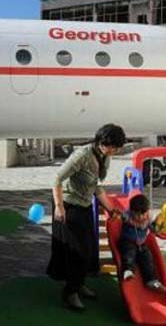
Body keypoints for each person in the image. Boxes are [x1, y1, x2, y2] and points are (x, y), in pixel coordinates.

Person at [47, 123, 126, 311]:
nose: (114, 151)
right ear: (101, 142)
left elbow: (95, 186)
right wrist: (59, 207)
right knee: (79, 251)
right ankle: (70, 293)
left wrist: (110, 208)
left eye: (117, 147)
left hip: (84, 205)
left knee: (90, 250)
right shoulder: (82, 156)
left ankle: (79, 283)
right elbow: (57, 179)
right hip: (68, 205)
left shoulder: (104, 156)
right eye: (112, 147)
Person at [118, 194, 166, 293]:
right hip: (127, 241)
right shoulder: (128, 215)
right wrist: (119, 215)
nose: (140, 217)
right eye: (137, 214)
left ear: (147, 211)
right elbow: (123, 216)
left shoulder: (148, 218)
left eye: (143, 214)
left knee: (148, 258)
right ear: (131, 211)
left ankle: (151, 280)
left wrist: (158, 228)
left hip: (141, 244)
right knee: (129, 254)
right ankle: (128, 270)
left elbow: (153, 230)